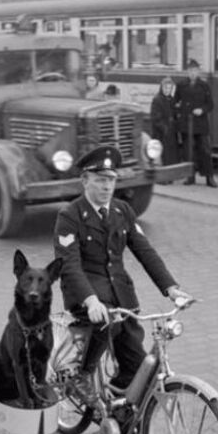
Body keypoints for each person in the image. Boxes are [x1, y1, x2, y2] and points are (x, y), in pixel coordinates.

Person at [53, 145, 192, 402]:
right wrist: (90, 300)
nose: (107, 187)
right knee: (103, 322)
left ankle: (122, 414)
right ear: (85, 181)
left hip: (122, 298)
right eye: (100, 180)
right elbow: (69, 265)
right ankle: (82, 375)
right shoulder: (70, 216)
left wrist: (171, 288)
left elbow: (145, 251)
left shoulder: (122, 211)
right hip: (88, 297)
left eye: (111, 180)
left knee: (140, 368)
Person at [174, 59, 217, 187]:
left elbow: (210, 105)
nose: (192, 73)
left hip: (201, 123)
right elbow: (176, 102)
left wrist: (202, 110)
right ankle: (190, 177)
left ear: (198, 72)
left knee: (205, 150)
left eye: (194, 71)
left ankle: (209, 178)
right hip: (187, 123)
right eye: (190, 71)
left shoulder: (204, 86)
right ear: (187, 72)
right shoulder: (181, 85)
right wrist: (181, 111)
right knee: (189, 151)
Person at [149, 76, 180, 166]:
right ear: (161, 87)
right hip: (161, 134)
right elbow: (155, 118)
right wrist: (165, 128)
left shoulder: (171, 100)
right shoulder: (157, 100)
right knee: (162, 157)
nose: (167, 90)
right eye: (165, 88)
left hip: (171, 133)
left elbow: (174, 114)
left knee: (171, 157)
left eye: (169, 88)